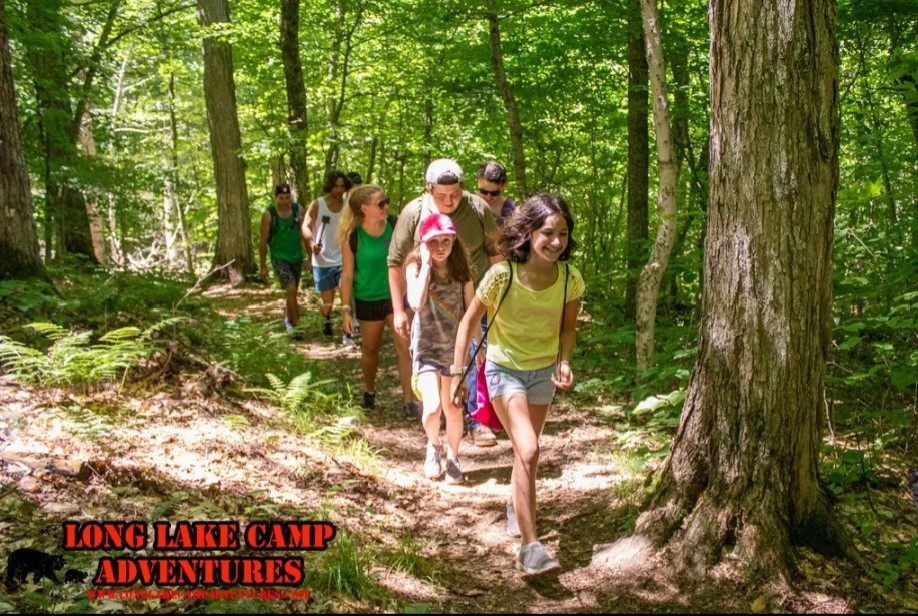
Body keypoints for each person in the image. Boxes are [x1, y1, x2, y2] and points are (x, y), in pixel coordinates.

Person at [452, 193, 584, 575]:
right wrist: (459, 373)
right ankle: (531, 547)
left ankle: (517, 503)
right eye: (547, 233)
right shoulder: (502, 275)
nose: (555, 241)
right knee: (528, 449)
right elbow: (468, 322)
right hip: (504, 370)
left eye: (563, 233)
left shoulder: (570, 279)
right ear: (529, 233)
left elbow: (568, 329)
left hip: (543, 372)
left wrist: (564, 361)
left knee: (526, 454)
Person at [387, 158, 502, 433]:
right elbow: (395, 263)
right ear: (429, 189)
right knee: (434, 362)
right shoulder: (414, 212)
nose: (449, 200)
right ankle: (438, 417)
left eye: (455, 194)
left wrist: (500, 300)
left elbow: (496, 255)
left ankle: (476, 420)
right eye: (442, 195)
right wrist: (399, 310)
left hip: (475, 298)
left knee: (476, 355)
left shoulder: (477, 208)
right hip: (428, 307)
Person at [405, 214, 476, 483]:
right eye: (433, 241)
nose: (440, 247)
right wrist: (425, 264)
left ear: (454, 241)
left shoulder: (462, 271)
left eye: (446, 240)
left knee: (453, 406)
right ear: (423, 243)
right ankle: (433, 445)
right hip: (426, 348)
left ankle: (454, 457)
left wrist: (476, 347)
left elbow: (470, 313)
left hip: (455, 350)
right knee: (433, 407)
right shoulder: (414, 267)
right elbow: (415, 302)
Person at [337, 185, 415, 414]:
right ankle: (369, 390)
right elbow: (347, 275)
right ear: (364, 208)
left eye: (386, 200)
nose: (385, 206)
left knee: (405, 346)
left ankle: (409, 401)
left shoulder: (395, 225)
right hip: (368, 298)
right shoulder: (353, 236)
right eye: (380, 203)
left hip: (397, 296)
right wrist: (345, 309)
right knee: (371, 348)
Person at [302, 171, 351, 341]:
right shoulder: (317, 204)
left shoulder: (348, 206)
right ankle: (326, 321)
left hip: (343, 259)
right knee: (327, 301)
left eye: (342, 186)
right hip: (322, 260)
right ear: (329, 186)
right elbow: (306, 226)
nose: (339, 190)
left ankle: (347, 331)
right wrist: (311, 243)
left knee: (346, 297)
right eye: (336, 186)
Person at [259, 183, 305, 340]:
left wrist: (310, 257)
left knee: (293, 292)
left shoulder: (297, 210)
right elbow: (263, 240)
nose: (284, 201)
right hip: (279, 257)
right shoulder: (269, 215)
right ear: (276, 198)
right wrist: (263, 266)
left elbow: (304, 233)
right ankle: (295, 325)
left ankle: (288, 319)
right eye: (281, 198)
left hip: (296, 257)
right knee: (290, 288)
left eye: (287, 197)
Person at [476, 161, 517, 226]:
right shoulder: (465, 202)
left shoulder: (510, 209)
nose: (488, 198)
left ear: (503, 187)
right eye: (484, 191)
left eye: (494, 193)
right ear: (478, 182)